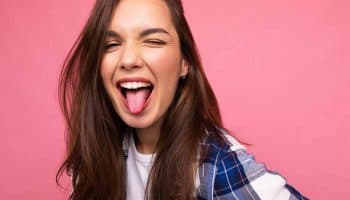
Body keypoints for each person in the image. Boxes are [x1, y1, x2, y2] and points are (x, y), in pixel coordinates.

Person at [56, 0, 308, 199]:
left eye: (153, 41)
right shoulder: (95, 155)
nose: (128, 59)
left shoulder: (213, 165)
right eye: (111, 44)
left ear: (184, 63)